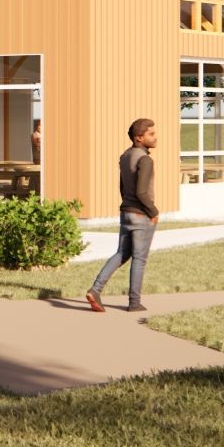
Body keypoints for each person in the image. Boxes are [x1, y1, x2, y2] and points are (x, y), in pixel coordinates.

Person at [87, 118, 158, 313]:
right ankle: (134, 303)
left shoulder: (125, 156)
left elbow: (123, 187)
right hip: (141, 215)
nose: (155, 137)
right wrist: (153, 212)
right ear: (139, 138)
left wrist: (128, 205)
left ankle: (95, 289)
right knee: (139, 258)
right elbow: (142, 192)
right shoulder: (145, 160)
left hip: (125, 212)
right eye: (151, 134)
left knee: (121, 253)